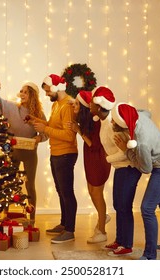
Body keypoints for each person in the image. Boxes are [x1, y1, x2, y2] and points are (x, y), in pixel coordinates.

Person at [111, 102, 160, 260]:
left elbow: (146, 168)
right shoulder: (139, 116)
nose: (111, 122)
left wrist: (127, 150)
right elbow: (147, 112)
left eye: (114, 120)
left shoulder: (141, 143)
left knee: (147, 208)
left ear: (122, 123)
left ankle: (149, 255)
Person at [89, 87, 142, 256]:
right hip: (120, 168)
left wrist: (108, 158)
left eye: (92, 101)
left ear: (99, 105)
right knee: (118, 205)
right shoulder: (103, 122)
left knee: (124, 206)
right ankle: (120, 240)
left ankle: (126, 244)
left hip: (128, 167)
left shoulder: (114, 124)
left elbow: (126, 150)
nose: (89, 104)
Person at [28, 74, 78, 244]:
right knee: (60, 191)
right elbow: (50, 126)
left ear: (57, 88)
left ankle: (70, 230)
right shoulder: (57, 104)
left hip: (65, 154)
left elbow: (69, 136)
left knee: (67, 193)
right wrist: (35, 121)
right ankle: (64, 224)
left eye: (48, 91)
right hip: (56, 153)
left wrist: (45, 129)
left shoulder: (68, 106)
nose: (47, 94)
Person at [0, 80, 48, 222]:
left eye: (25, 92)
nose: (22, 94)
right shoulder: (12, 108)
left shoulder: (39, 114)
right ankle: (5, 214)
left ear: (32, 96)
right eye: (21, 91)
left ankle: (32, 218)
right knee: (9, 182)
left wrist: (38, 138)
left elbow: (46, 133)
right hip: (13, 151)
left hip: (30, 153)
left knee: (30, 185)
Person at [67, 90, 111, 243]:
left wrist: (79, 131)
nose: (74, 106)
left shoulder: (96, 122)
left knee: (97, 193)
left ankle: (102, 231)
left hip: (99, 159)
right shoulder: (86, 119)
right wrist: (72, 102)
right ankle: (102, 215)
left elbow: (94, 145)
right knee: (92, 192)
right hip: (90, 158)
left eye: (77, 104)